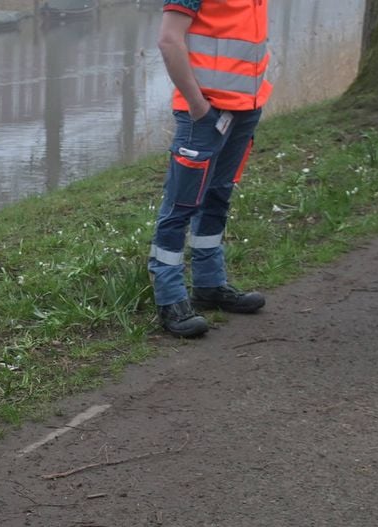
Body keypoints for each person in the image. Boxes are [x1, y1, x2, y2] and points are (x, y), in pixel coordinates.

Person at [148, 0, 271, 338]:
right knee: (180, 206)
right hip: (204, 114)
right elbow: (169, 40)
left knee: (218, 195)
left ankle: (210, 284)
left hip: (246, 109)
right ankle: (170, 299)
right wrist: (198, 106)